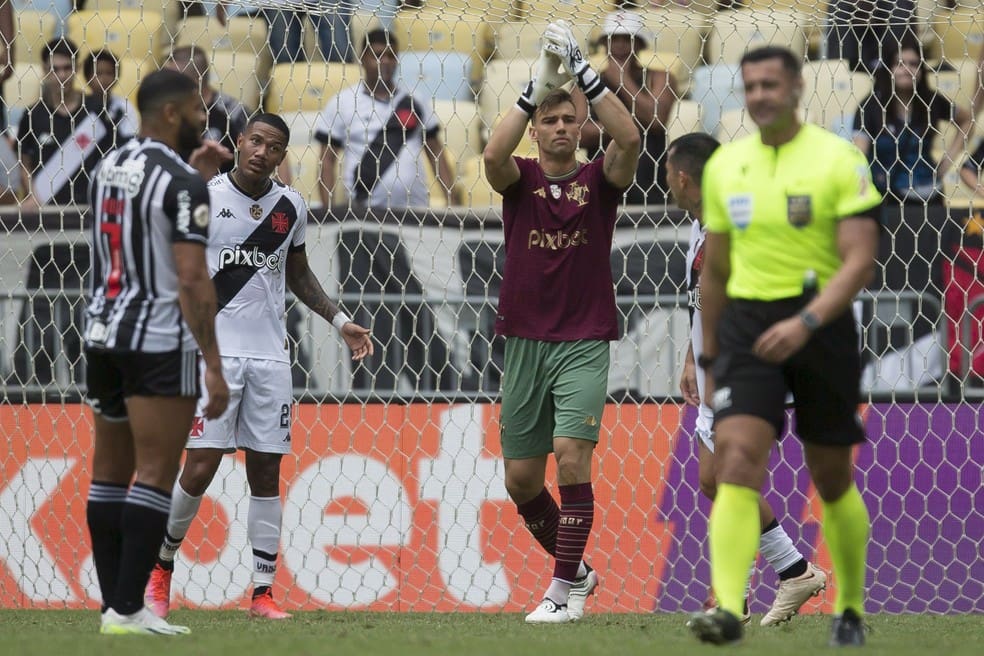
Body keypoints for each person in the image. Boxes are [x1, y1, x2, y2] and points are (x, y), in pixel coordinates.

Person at [143, 113, 374, 620]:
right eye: (255, 141)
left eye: (274, 147)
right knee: (200, 465)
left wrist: (340, 322)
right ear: (239, 143)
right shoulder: (204, 196)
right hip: (214, 353)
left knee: (266, 472)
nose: (262, 152)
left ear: (281, 155)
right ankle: (160, 569)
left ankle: (263, 594)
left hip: (271, 358)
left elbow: (298, 274)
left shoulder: (290, 206)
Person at [688, 46, 882, 647]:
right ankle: (726, 607)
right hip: (748, 330)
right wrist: (710, 357)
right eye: (751, 87)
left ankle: (848, 605)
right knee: (733, 463)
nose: (760, 96)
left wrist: (807, 320)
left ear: (797, 89)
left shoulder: (838, 160)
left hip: (819, 328)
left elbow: (859, 258)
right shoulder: (726, 168)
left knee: (831, 480)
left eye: (771, 84)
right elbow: (714, 274)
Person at [482, 20, 641, 624]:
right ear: (537, 127)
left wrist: (585, 77)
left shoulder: (599, 181)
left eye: (567, 119)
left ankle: (558, 592)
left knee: (572, 456)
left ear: (581, 128)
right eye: (548, 120)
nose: (558, 127)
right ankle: (578, 570)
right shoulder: (518, 180)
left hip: (582, 340)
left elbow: (630, 141)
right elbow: (493, 154)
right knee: (522, 481)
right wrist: (534, 89)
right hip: (523, 339)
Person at [84, 68, 234, 635]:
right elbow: (193, 278)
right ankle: (127, 610)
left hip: (103, 332)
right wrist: (214, 367)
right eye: (197, 107)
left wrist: (193, 177)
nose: (205, 116)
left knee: (109, 472)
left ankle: (114, 607)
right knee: (154, 470)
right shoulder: (184, 183)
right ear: (172, 113)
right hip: (156, 338)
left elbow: (143, 221)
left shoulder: (110, 165)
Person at [669, 132, 828, 627]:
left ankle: (731, 599)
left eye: (669, 179)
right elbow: (704, 300)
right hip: (717, 365)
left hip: (742, 367)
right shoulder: (702, 225)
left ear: (682, 179)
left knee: (730, 481)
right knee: (711, 481)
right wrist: (692, 356)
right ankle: (794, 571)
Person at [314, 28, 460, 210]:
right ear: (362, 58)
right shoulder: (342, 102)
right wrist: (327, 210)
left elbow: (435, 152)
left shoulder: (416, 100)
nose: (385, 61)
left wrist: (452, 203)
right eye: (377, 55)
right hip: (362, 212)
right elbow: (327, 160)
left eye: (391, 56)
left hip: (415, 211)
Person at [852, 39, 973, 205]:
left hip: (931, 195)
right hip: (890, 197)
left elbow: (967, 120)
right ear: (888, 68)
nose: (907, 69)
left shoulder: (931, 101)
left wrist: (947, 161)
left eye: (914, 64)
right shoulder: (871, 106)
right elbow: (858, 154)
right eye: (899, 64)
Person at [575, 10, 675, 205]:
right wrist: (627, 127)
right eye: (613, 39)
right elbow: (578, 134)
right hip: (604, 185)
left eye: (627, 39)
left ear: (640, 44)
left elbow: (656, 119)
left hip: (650, 186)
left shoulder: (660, 76)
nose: (620, 45)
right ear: (604, 44)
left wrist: (621, 80)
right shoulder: (585, 83)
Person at [16, 39, 119, 208]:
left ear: (76, 69)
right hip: (47, 211)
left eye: (67, 68)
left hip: (91, 207)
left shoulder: (98, 109)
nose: (62, 75)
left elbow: (112, 157)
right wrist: (34, 196)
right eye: (54, 69)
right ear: (44, 70)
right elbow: (23, 162)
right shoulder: (33, 115)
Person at [165, 45, 251, 174]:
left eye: (172, 79)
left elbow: (265, 144)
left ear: (194, 81)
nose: (165, 83)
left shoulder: (233, 111)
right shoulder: (170, 111)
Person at [824, 0, 917, 73]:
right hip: (854, 76)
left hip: (891, 78)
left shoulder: (900, 7)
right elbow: (838, 68)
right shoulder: (838, 8)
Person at [83, 49, 138, 144]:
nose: (104, 79)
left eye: (109, 73)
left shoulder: (124, 107)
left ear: (116, 77)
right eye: (98, 73)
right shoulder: (80, 106)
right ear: (87, 77)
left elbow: (130, 138)